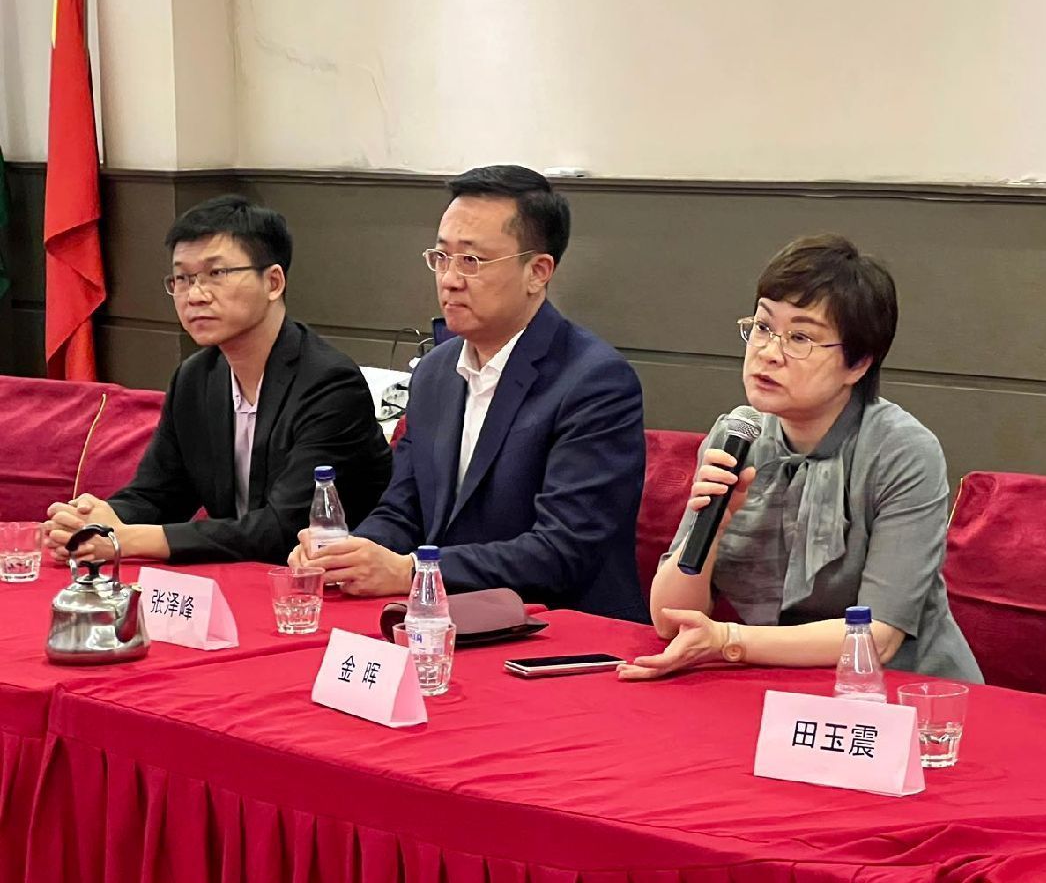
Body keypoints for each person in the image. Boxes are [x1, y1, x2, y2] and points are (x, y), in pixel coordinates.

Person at [293, 165, 647, 619]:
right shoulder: (436, 372)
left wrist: (411, 571)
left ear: (538, 272)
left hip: (558, 628)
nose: (449, 279)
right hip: (445, 618)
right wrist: (349, 555)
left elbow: (562, 551)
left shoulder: (594, 381)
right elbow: (403, 510)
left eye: (471, 261)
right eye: (441, 257)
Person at [624, 233, 982, 683]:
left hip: (901, 690)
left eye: (800, 337)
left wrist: (728, 640)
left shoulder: (902, 451)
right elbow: (669, 620)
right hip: (777, 683)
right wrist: (713, 526)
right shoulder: (737, 436)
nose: (768, 353)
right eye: (763, 327)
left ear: (858, 364)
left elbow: (878, 636)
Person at [45, 195, 392, 564]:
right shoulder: (195, 378)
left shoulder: (330, 384)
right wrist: (93, 523)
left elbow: (284, 528)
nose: (195, 295)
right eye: (183, 278)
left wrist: (127, 540)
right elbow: (158, 495)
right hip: (239, 575)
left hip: (327, 580)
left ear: (273, 282)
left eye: (216, 274)